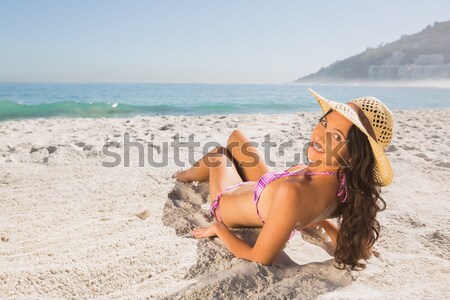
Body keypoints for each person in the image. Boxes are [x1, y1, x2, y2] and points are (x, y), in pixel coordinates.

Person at [173, 88, 394, 270]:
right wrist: (323, 222)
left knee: (219, 154)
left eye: (336, 136)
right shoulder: (347, 184)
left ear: (355, 154)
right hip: (267, 190)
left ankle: (182, 176)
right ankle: (187, 174)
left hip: (226, 204)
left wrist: (219, 229)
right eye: (324, 123)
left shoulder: (295, 192)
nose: (319, 135)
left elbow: (259, 258)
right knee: (236, 138)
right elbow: (361, 247)